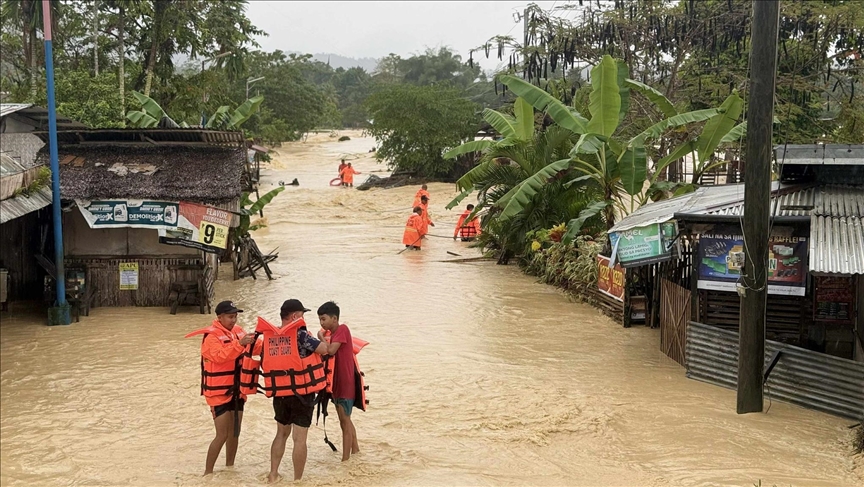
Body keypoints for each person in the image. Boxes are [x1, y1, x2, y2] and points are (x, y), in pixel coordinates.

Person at [256, 299, 330, 483]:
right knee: (299, 439)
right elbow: (324, 350)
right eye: (302, 314)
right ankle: (298, 481)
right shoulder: (301, 335)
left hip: (279, 392)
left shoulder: (270, 338)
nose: (303, 318)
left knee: (281, 433)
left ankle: (273, 474)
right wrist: (322, 337)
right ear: (295, 316)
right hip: (302, 394)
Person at [184, 300, 256, 476]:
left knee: (235, 432)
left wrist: (265, 340)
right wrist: (239, 344)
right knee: (222, 434)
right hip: (218, 393)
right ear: (219, 317)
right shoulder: (211, 337)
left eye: (235, 316)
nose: (234, 320)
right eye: (230, 317)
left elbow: (255, 347)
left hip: (237, 390)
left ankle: (230, 468)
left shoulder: (238, 332)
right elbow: (219, 356)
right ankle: (207, 474)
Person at [316, 302, 360, 461]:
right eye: (320, 320)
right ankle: (355, 451)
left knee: (344, 421)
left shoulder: (342, 329)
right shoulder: (334, 334)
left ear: (334, 318)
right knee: (346, 419)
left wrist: (321, 338)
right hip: (336, 383)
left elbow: (330, 350)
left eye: (324, 319)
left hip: (344, 383)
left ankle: (345, 460)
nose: (321, 323)